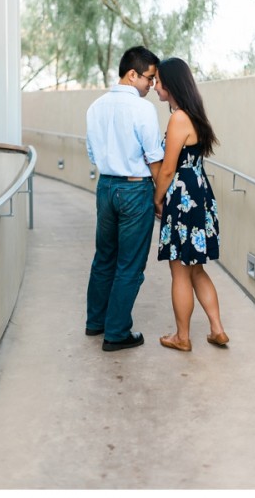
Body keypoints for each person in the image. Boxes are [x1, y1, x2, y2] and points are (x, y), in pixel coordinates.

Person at [86, 45, 164, 352]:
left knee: (104, 257)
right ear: (132, 74)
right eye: (150, 78)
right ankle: (117, 332)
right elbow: (155, 159)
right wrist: (159, 198)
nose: (152, 85)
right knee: (130, 264)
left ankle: (96, 321)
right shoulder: (142, 109)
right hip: (134, 189)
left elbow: (92, 153)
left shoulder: (95, 108)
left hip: (105, 187)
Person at [152, 57, 228, 352]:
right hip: (200, 195)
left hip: (182, 198)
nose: (156, 86)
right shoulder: (195, 116)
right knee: (196, 268)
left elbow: (169, 169)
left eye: (158, 81)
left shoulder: (178, 118)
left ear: (170, 84)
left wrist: (157, 198)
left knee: (180, 271)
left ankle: (182, 337)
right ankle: (217, 329)